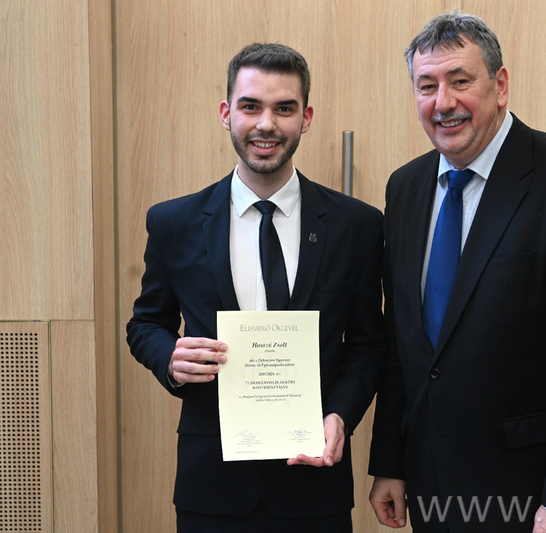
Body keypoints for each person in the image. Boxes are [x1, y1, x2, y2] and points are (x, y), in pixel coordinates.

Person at [368, 11, 546, 533]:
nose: (443, 102)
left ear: (501, 85)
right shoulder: (405, 188)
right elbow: (404, 346)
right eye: (427, 86)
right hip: (433, 487)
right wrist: (390, 462)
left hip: (535, 498)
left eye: (460, 81)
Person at [127, 43, 385, 533]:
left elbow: (369, 345)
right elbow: (145, 325)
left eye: (284, 108)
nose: (266, 124)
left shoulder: (357, 226)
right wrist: (171, 359)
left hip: (315, 483)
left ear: (306, 118)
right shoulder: (173, 222)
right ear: (227, 114)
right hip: (211, 486)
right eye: (251, 106)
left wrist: (340, 415)